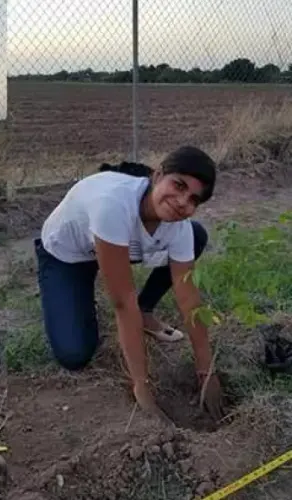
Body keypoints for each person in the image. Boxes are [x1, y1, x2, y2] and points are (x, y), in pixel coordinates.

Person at [34, 145, 225, 423]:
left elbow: (189, 300)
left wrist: (206, 370)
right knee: (74, 354)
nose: (182, 201)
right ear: (158, 175)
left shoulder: (179, 225)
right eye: (179, 185)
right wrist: (142, 385)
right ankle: (66, 291)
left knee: (196, 236)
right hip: (68, 256)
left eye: (193, 199)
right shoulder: (113, 205)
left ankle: (146, 312)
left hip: (120, 245)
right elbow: (123, 303)